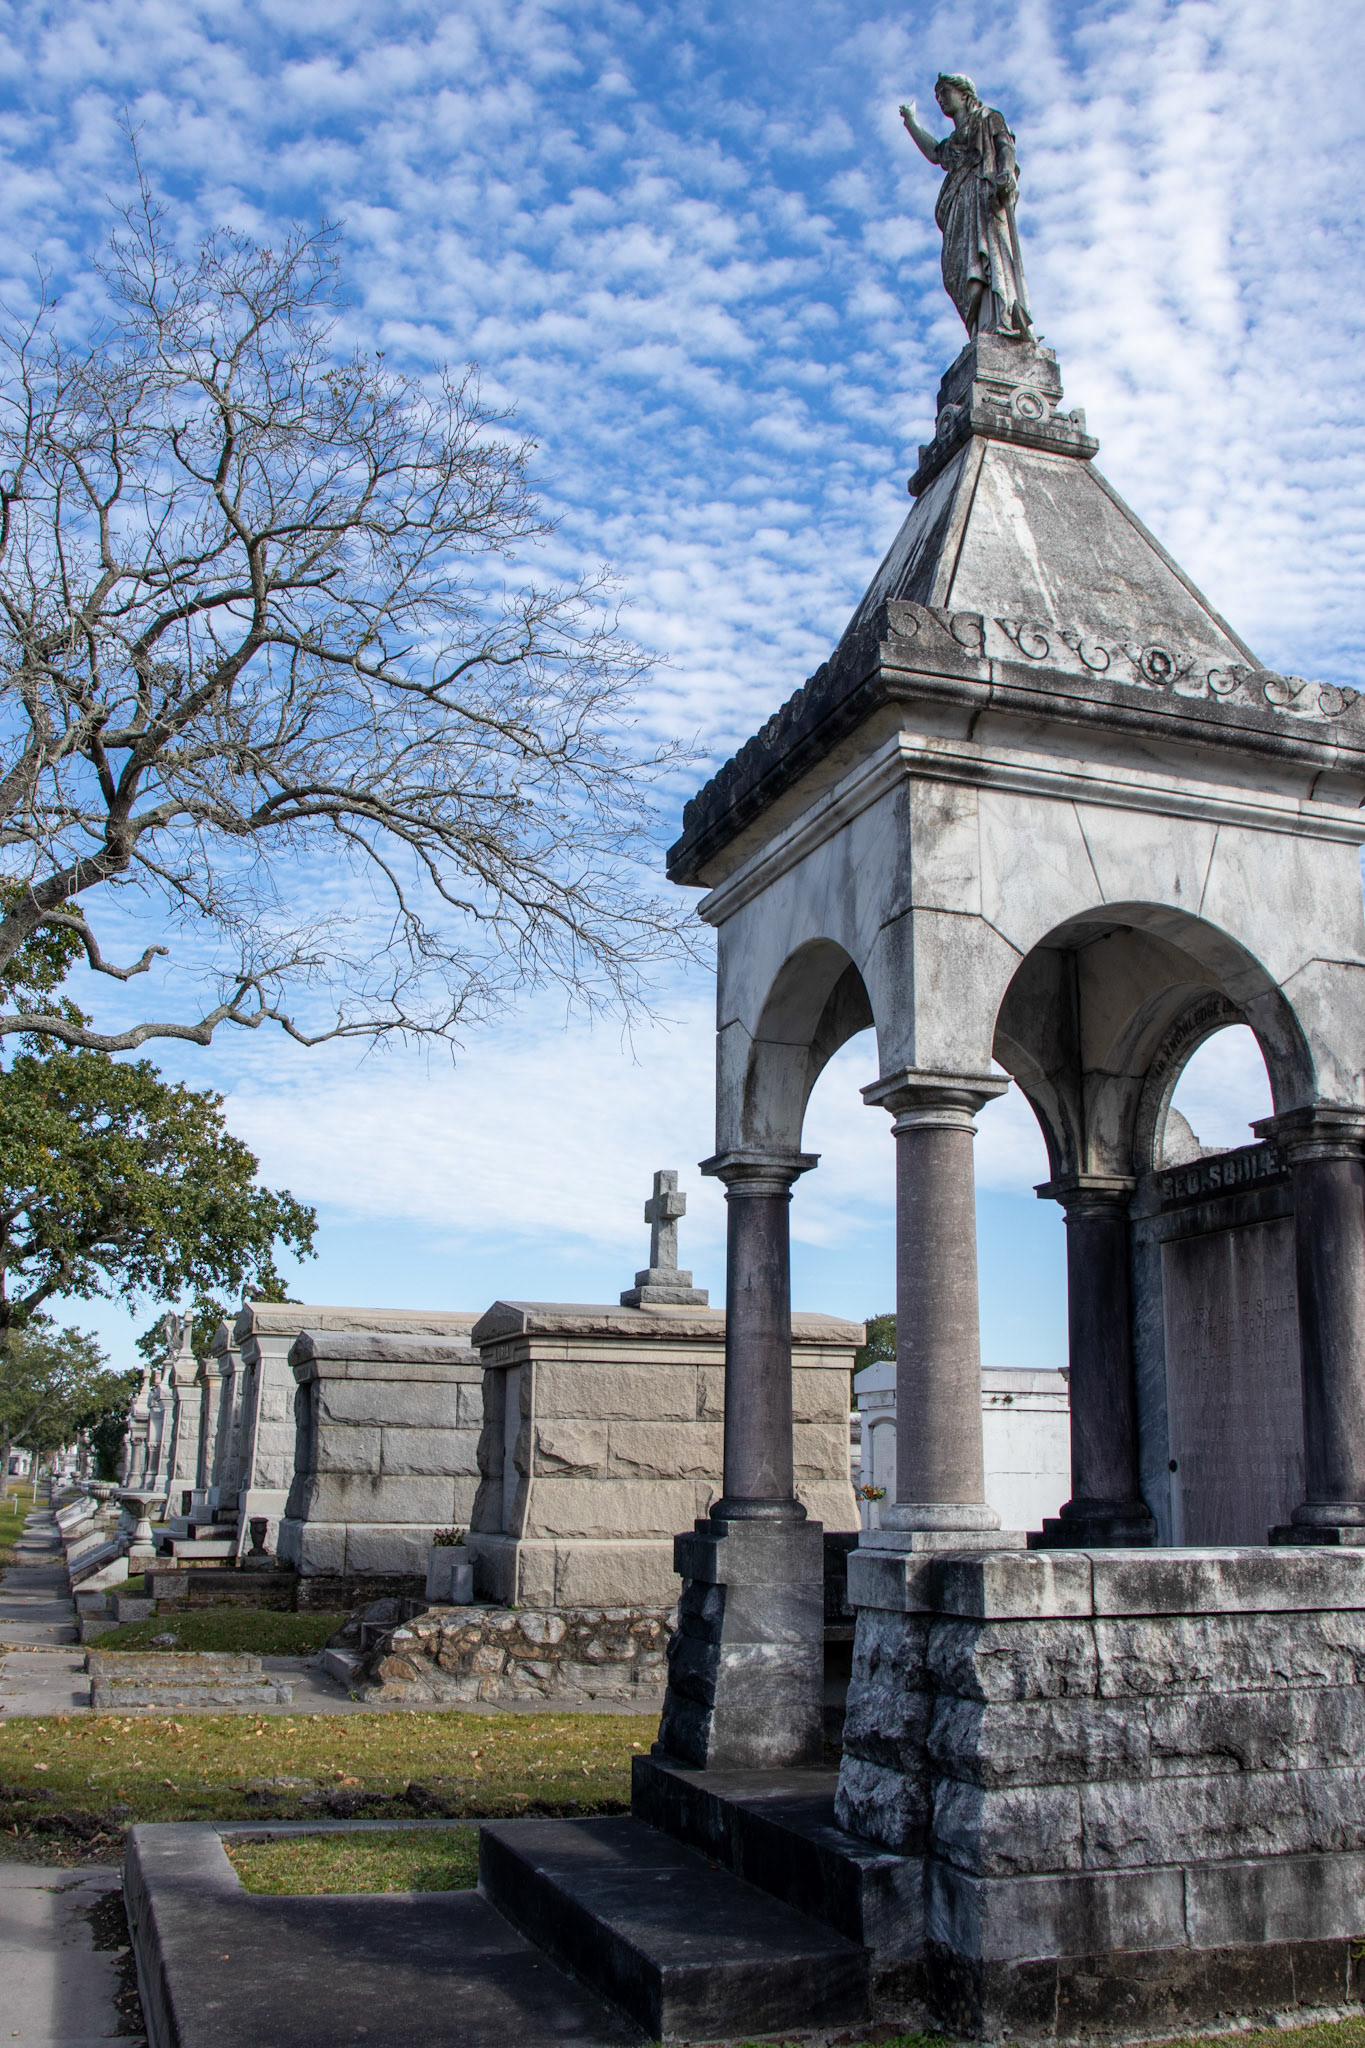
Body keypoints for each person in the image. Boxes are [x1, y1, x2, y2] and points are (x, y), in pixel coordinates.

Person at [900, 74, 1033, 340]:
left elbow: (1005, 145)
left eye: (944, 92)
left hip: (983, 195)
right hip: (958, 203)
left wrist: (1005, 172)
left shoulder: (988, 118)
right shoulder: (952, 141)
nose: (940, 99)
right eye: (937, 95)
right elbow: (935, 153)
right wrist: (911, 123)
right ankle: (980, 328)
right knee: (955, 273)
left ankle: (1001, 319)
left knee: (987, 258)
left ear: (964, 94)